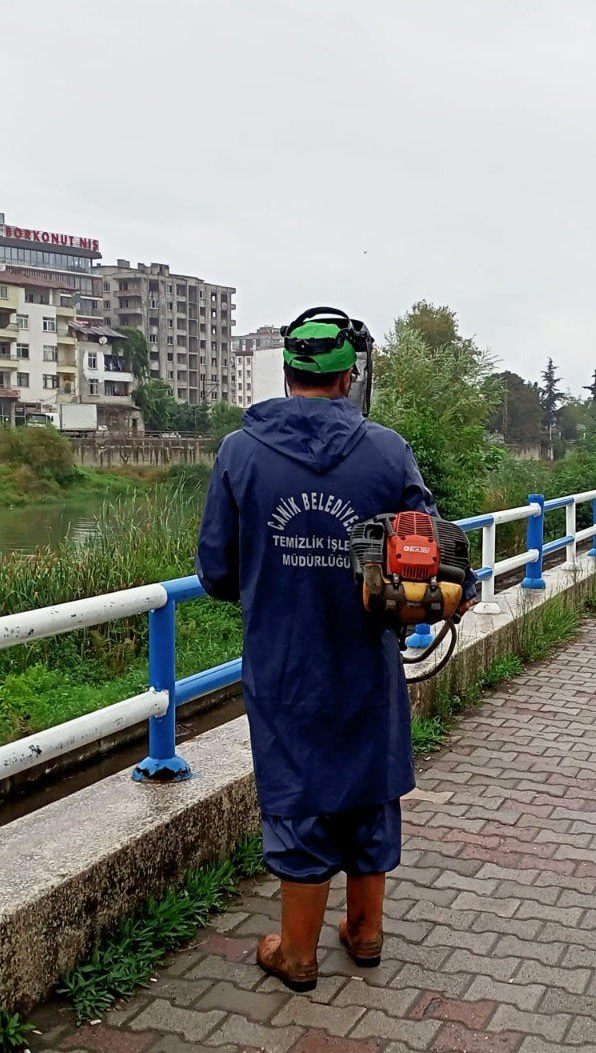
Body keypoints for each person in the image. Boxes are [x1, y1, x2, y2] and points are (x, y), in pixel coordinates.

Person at [195, 310, 473, 992]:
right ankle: (366, 932)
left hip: (284, 662)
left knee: (298, 793)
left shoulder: (239, 451)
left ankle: (296, 953)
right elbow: (433, 549)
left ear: (285, 373)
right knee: (368, 786)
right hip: (364, 661)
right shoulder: (387, 450)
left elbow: (217, 573)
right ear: (349, 376)